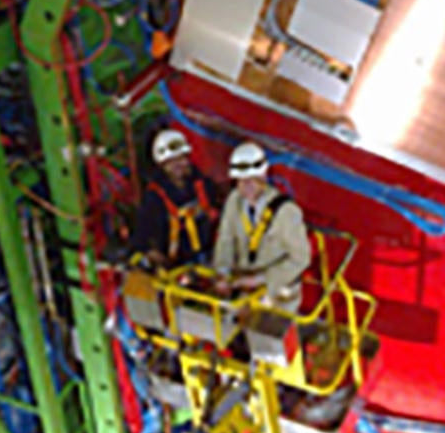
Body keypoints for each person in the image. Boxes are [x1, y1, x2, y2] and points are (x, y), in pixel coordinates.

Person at [213, 141, 312, 313]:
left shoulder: (286, 212)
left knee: (265, 337)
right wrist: (223, 272)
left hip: (278, 293)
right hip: (242, 288)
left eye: (253, 180)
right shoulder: (234, 201)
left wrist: (261, 279)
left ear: (264, 176)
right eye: (242, 181)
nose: (247, 186)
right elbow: (225, 240)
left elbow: (301, 258)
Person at [128, 129, 220, 269]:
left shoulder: (202, 185)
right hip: (173, 264)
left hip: (208, 255)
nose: (178, 165)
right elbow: (142, 234)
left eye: (181, 159)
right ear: (162, 164)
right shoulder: (154, 198)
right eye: (171, 161)